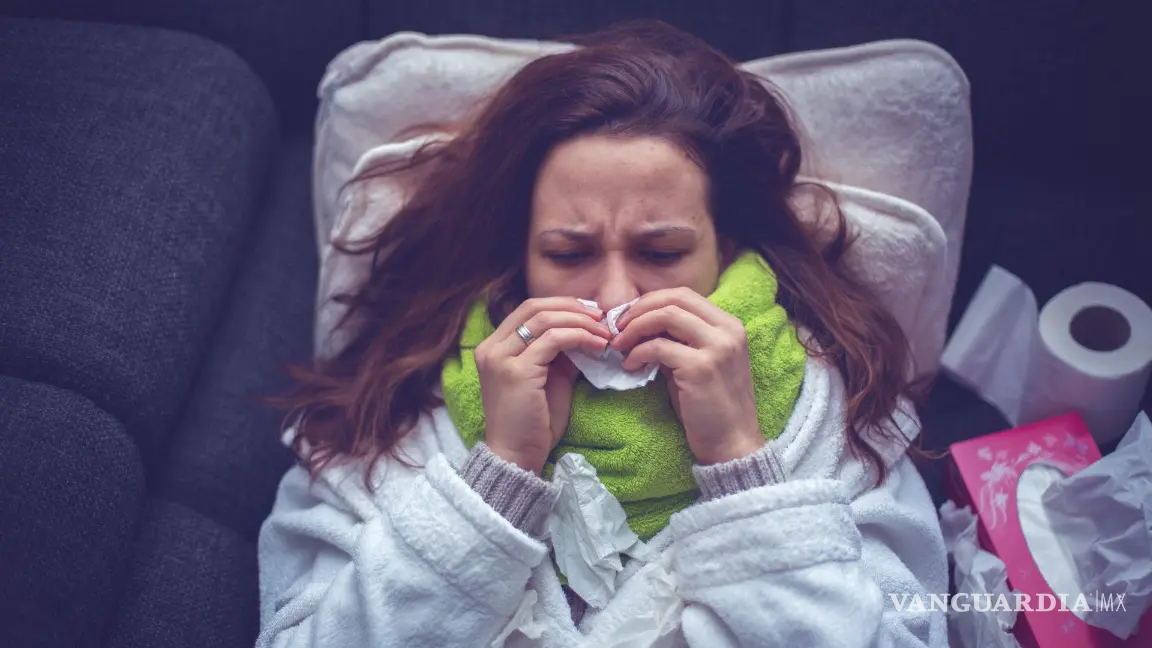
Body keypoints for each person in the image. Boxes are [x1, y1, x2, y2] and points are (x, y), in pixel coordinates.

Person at [256, 20, 949, 648]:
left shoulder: (842, 415)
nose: (615, 300)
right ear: (519, 255)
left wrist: (742, 464)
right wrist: (495, 480)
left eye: (661, 253)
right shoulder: (395, 413)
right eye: (567, 254)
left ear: (725, 247)